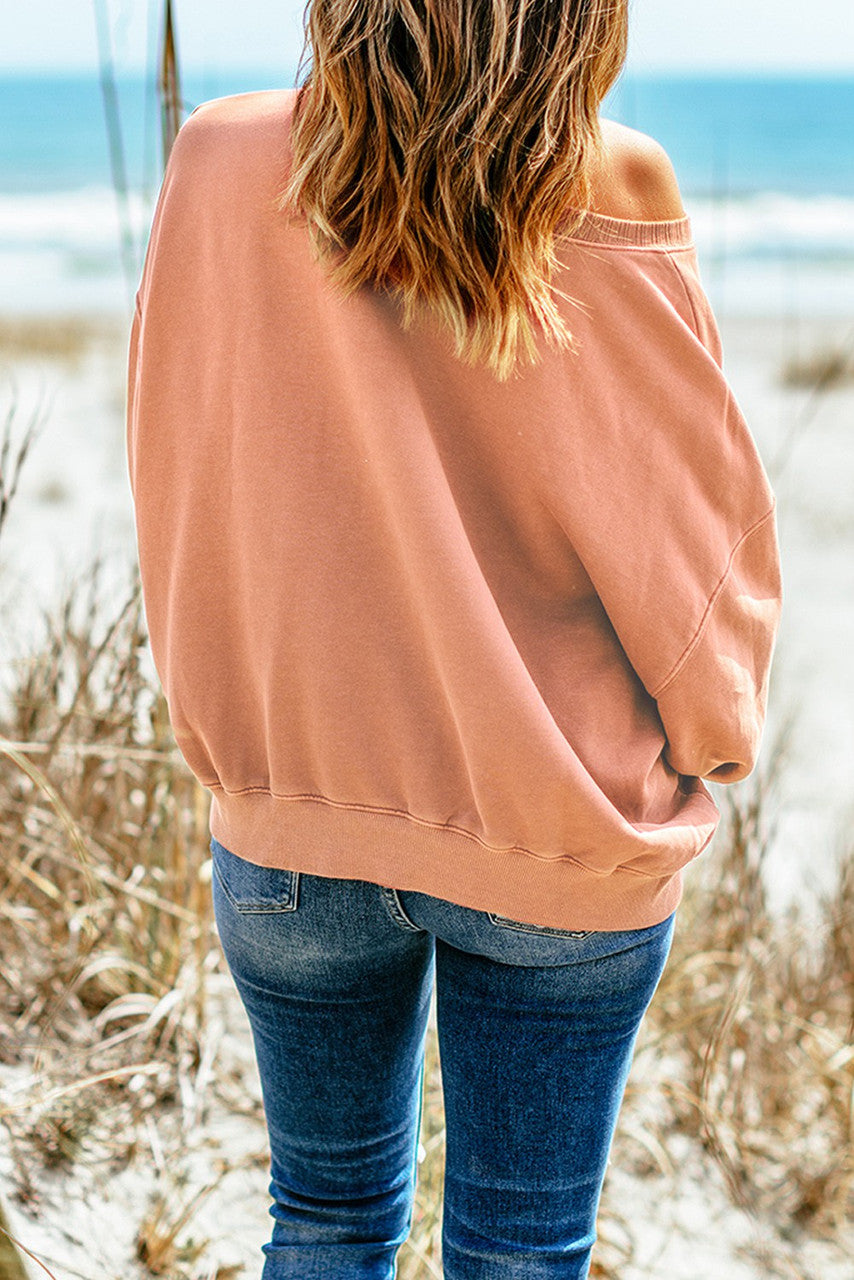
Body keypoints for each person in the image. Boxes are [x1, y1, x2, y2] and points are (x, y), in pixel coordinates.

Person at [125, 0, 783, 1276]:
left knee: (320, 1220)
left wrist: (226, 726)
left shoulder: (214, 155)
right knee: (522, 1251)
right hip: (561, 819)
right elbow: (694, 542)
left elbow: (174, 462)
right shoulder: (611, 179)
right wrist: (711, 735)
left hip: (290, 812)